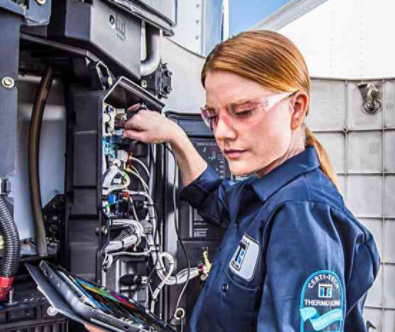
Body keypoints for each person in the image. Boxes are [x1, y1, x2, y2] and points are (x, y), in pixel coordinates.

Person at [87, 30, 380, 332]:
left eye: (242, 111)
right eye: (213, 115)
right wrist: (175, 136)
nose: (220, 133)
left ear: (296, 108)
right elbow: (213, 197)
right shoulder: (269, 193)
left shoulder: (300, 214)